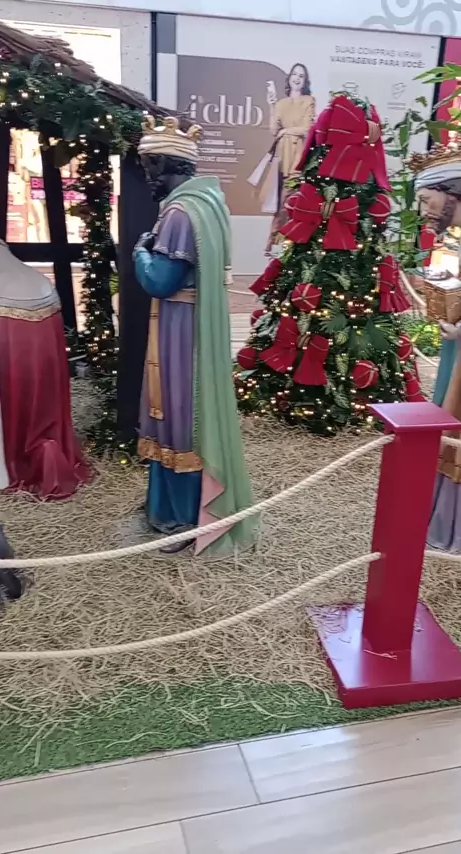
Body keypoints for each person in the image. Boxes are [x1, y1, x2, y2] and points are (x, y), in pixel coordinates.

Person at [133, 116, 257, 557]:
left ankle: (181, 516)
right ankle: (170, 506)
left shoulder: (179, 213)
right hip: (196, 325)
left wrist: (139, 252)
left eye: (150, 166)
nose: (147, 176)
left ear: (168, 165)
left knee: (178, 414)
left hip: (179, 328)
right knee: (187, 411)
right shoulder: (210, 204)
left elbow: (161, 280)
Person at [0, 235, 90, 499]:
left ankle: (18, 459)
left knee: (15, 400)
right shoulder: (40, 283)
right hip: (48, 363)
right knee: (44, 401)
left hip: (13, 360)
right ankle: (48, 446)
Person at [412, 145, 461, 549]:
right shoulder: (449, 242)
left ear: (452, 194)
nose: (423, 209)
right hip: (453, 360)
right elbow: (444, 303)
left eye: (427, 199)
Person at [248, 63, 315, 255]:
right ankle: (277, 242)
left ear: (305, 81)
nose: (297, 78)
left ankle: (279, 241)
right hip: (282, 157)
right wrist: (271, 104)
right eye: (294, 74)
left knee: (290, 198)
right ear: (289, 77)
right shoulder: (281, 104)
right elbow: (273, 130)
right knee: (280, 201)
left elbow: (307, 129)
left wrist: (286, 131)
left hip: (298, 156)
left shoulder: (308, 101)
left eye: (301, 76)